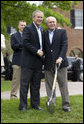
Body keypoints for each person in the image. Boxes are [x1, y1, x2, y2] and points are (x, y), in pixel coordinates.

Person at [19, 10, 44, 111]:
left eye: (41, 17)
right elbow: (25, 42)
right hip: (28, 62)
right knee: (25, 85)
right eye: (38, 17)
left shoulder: (42, 29)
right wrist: (36, 51)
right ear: (33, 18)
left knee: (36, 85)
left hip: (38, 62)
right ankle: (23, 106)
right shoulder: (27, 29)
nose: (40, 19)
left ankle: (35, 104)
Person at [44, 16, 70, 112]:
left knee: (63, 85)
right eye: (50, 22)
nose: (52, 24)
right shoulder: (44, 33)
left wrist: (60, 57)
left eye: (53, 22)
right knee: (50, 85)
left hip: (61, 64)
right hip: (48, 64)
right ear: (47, 24)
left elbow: (65, 45)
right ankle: (51, 103)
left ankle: (66, 105)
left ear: (56, 23)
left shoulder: (62, 32)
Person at [10, 20, 26, 99]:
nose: (23, 27)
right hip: (17, 61)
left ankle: (24, 96)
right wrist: (23, 44)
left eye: (24, 25)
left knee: (25, 80)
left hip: (27, 61)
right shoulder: (14, 36)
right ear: (18, 26)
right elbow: (13, 46)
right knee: (16, 79)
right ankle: (13, 95)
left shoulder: (28, 35)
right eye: (21, 25)